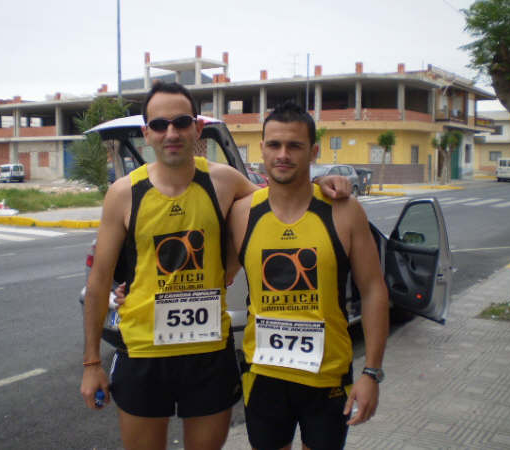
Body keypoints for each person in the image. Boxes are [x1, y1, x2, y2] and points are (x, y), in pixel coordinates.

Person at [80, 82, 351, 450]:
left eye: (180, 122)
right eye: (159, 125)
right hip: (144, 353)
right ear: (147, 134)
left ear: (197, 129)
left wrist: (320, 180)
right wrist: (92, 363)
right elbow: (98, 283)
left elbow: (283, 199)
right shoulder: (124, 192)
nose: (171, 133)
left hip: (208, 354)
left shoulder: (223, 181)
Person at [227, 101, 389, 450]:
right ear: (261, 148)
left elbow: (374, 290)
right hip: (264, 374)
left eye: (295, 146)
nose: (283, 154)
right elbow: (210, 276)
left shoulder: (344, 211)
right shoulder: (241, 214)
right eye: (274, 145)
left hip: (327, 377)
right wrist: (130, 290)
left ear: (314, 151)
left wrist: (371, 372)